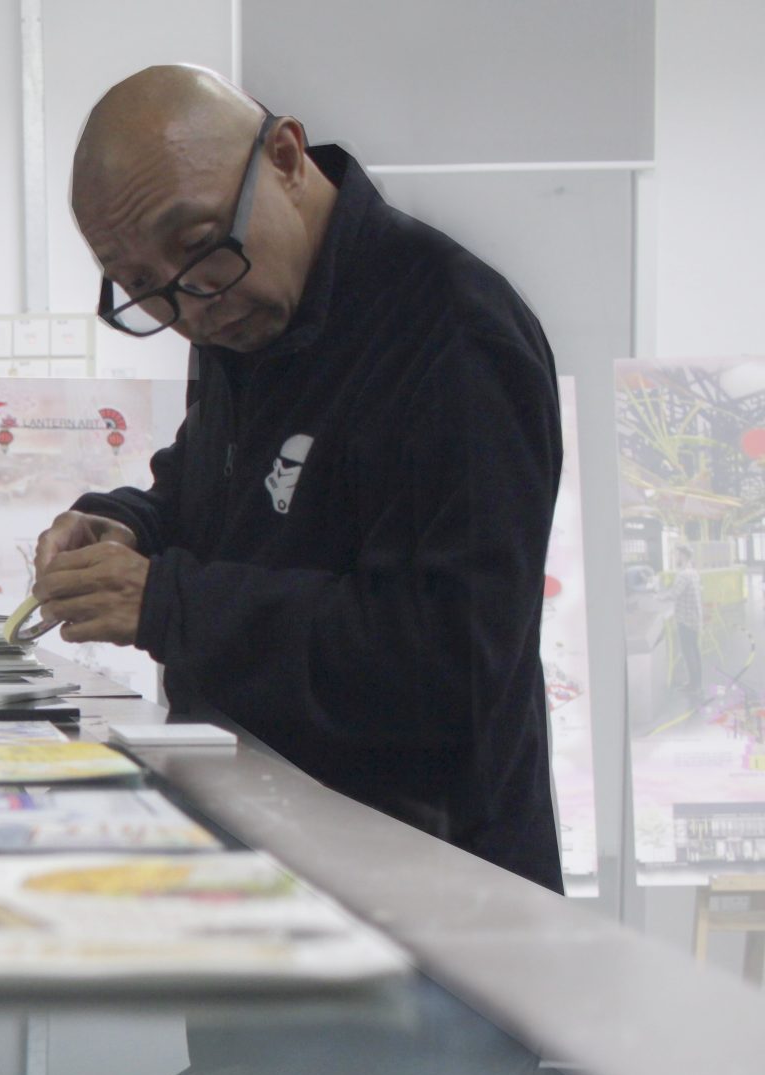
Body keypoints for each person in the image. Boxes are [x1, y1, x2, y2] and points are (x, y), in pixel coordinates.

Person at [31, 65, 562, 890]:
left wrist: (171, 605)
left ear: (284, 157)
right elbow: (214, 490)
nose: (190, 311)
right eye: (142, 288)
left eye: (198, 244)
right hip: (265, 859)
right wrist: (130, 524)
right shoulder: (239, 306)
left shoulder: (454, 334)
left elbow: (452, 666)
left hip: (430, 893)